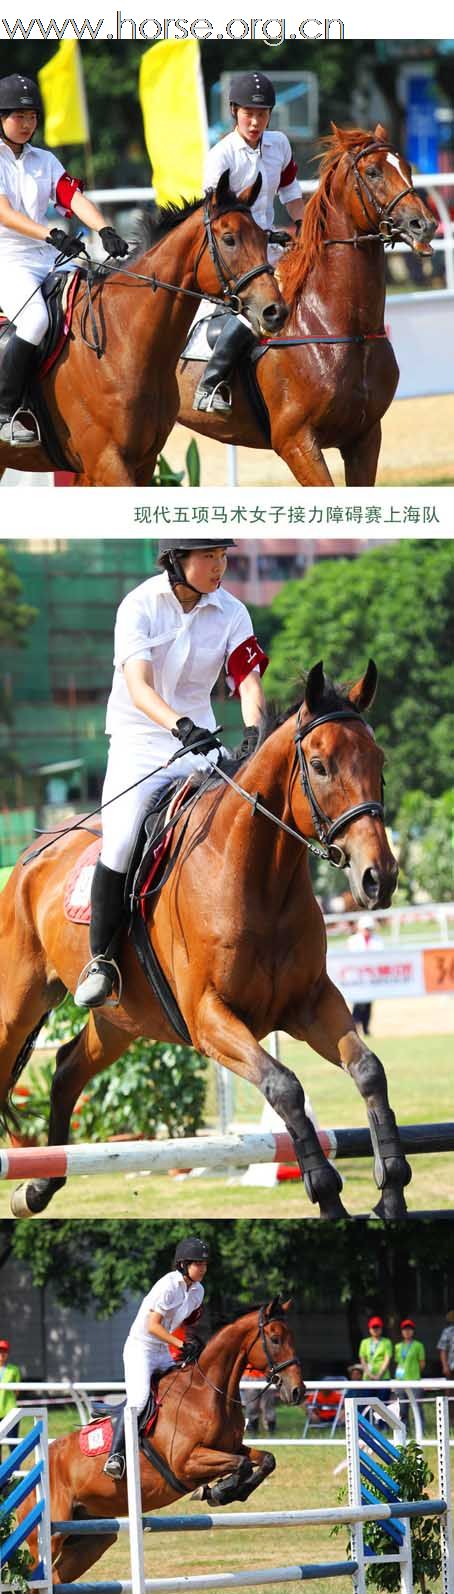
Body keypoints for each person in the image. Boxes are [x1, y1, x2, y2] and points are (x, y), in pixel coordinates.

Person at [74, 538, 268, 1009]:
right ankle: (102, 960)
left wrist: (254, 734)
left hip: (199, 743)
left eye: (224, 556)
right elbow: (138, 688)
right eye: (209, 557)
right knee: (120, 841)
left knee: (252, 815)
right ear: (177, 561)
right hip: (140, 743)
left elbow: (248, 682)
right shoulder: (138, 605)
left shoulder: (233, 611)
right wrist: (181, 726)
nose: (220, 566)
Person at [0, 73, 129, 448]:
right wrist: (52, 234)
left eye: (32, 116)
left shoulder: (45, 160)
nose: (26, 124)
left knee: (96, 296)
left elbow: (71, 197)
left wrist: (105, 230)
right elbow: (5, 214)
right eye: (18, 116)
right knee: (37, 318)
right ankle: (6, 409)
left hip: (45, 256)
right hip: (8, 259)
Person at [193, 69, 304, 416]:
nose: (255, 122)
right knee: (259, 307)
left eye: (262, 114)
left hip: (270, 249)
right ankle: (210, 383)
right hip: (235, 256)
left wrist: (303, 226)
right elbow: (215, 217)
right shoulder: (221, 156)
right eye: (248, 114)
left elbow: (290, 191)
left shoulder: (280, 145)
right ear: (234, 112)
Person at [104, 1235, 209, 1479]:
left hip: (162, 1349)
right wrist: (180, 1344)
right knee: (139, 1400)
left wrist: (192, 1343)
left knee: (182, 1390)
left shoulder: (198, 1291)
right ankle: (115, 1456)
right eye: (197, 1263)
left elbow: (187, 1323)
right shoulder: (168, 1285)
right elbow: (153, 1325)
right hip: (140, 1349)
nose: (202, 1268)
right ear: (183, 1264)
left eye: (204, 1264)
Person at [346, 914, 383, 1036]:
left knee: (368, 1003)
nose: (367, 931)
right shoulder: (353, 941)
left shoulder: (378, 940)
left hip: (371, 977)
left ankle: (366, 1028)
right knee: (358, 1001)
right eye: (365, 928)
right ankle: (355, 1025)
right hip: (357, 976)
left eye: (369, 928)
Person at [394, 1317, 426, 1432]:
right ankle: (404, 1431)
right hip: (401, 1381)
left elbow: (422, 1363)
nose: (407, 1331)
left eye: (410, 1329)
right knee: (402, 1409)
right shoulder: (398, 1346)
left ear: (413, 1331)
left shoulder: (418, 1345)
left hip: (414, 1380)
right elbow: (398, 1363)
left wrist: (414, 1373)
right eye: (405, 1329)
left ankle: (421, 1431)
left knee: (417, 1408)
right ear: (402, 1331)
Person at [359, 1315, 393, 1398]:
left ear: (381, 1328)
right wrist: (369, 1374)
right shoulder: (364, 1342)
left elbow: (387, 1359)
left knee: (383, 1404)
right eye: (373, 1327)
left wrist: (379, 1375)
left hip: (383, 1377)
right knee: (368, 1404)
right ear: (369, 1329)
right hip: (367, 1378)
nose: (375, 1329)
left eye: (377, 1327)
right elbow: (363, 1360)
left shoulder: (387, 1342)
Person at [0, 1337, 21, 1459]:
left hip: (10, 1411)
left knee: (13, 1444)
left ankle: (15, 1474)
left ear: (7, 1354)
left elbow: (16, 1392)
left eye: (4, 1351)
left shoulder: (14, 1370)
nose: (1, 1354)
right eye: (0, 1351)